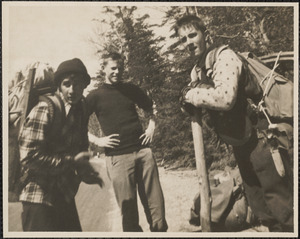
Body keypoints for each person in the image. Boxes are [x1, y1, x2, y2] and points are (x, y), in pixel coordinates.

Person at [174, 15, 293, 232]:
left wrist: (192, 96)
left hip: (263, 140)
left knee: (282, 204)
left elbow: (225, 98)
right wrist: (187, 99)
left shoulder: (225, 57)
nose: (189, 42)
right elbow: (192, 102)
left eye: (193, 35)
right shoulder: (198, 70)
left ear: (205, 35)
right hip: (241, 143)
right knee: (260, 204)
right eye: (183, 39)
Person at [86, 52, 168, 232]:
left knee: (157, 211)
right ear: (104, 68)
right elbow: (76, 124)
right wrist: (97, 140)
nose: (117, 72)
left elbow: (150, 106)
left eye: (120, 68)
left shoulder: (131, 89)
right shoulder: (94, 96)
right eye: (113, 68)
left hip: (143, 153)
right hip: (118, 158)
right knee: (129, 215)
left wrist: (151, 127)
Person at [19, 58, 102, 231]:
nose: (73, 90)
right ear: (59, 86)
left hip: (63, 196)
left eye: (78, 85)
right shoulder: (45, 109)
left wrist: (86, 172)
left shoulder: (80, 113)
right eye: (67, 84)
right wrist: (71, 161)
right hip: (38, 198)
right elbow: (28, 156)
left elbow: (79, 151)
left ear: (84, 87)